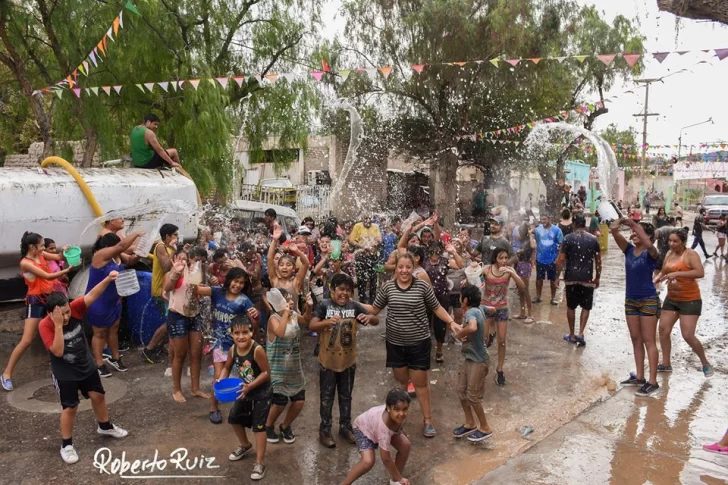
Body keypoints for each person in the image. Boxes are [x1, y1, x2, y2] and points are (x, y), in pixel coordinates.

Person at [38, 271, 128, 464]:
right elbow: (59, 352)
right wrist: (58, 325)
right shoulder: (45, 326)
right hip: (65, 372)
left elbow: (92, 295)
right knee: (70, 407)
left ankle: (104, 426)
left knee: (98, 395)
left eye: (68, 311)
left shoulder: (75, 308)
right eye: (61, 314)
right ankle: (67, 445)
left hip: (85, 365)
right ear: (50, 314)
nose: (67, 316)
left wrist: (107, 279)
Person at [364, 252, 456, 438]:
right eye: (400, 267)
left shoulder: (422, 286)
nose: (404, 271)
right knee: (401, 382)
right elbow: (374, 309)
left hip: (419, 343)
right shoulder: (388, 287)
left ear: (413, 268)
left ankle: (428, 420)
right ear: (395, 268)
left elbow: (436, 307)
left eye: (408, 267)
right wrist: (349, 304)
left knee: (420, 383)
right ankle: (398, 422)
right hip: (395, 344)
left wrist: (451, 322)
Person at [310, 273, 378, 448]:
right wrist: (326, 323)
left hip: (348, 361)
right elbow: (312, 325)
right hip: (328, 361)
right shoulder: (324, 305)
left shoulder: (354, 306)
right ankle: (325, 429)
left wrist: (369, 318)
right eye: (340, 289)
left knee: (346, 395)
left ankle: (345, 426)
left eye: (348, 290)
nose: (344, 293)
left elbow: (376, 320)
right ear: (332, 290)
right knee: (326, 397)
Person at [2, 232, 75, 391]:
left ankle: (68, 368)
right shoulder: (25, 263)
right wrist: (66, 270)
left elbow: (57, 257)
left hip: (49, 298)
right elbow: (48, 277)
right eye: (41, 245)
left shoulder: (41, 254)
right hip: (35, 301)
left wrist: (64, 251)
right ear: (32, 247)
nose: (43, 248)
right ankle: (6, 374)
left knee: (60, 330)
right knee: (27, 340)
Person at [195, 267, 259, 424]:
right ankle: (213, 408)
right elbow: (195, 289)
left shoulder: (244, 301)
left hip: (238, 345)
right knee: (218, 377)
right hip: (219, 343)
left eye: (242, 283)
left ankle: (242, 408)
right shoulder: (217, 292)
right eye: (235, 281)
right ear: (229, 280)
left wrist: (255, 317)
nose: (238, 285)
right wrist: (193, 272)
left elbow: (255, 327)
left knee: (244, 376)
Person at [610, 218, 661, 397]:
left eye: (638, 232)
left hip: (648, 299)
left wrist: (632, 224)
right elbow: (615, 234)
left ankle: (653, 381)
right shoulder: (629, 250)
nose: (633, 235)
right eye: (632, 233)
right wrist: (615, 225)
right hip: (630, 299)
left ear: (648, 236)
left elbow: (648, 244)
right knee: (635, 338)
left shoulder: (652, 253)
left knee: (649, 340)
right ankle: (639, 377)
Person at [654, 229, 713, 377]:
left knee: (687, 335)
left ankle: (705, 363)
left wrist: (677, 273)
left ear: (683, 242)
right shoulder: (669, 253)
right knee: (663, 329)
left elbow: (700, 272)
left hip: (690, 299)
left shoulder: (690, 254)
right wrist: (656, 280)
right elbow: (663, 271)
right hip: (672, 298)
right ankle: (666, 364)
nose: (672, 244)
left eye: (675, 241)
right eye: (670, 241)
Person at [218, 316, 271, 481]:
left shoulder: (257, 350)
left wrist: (250, 386)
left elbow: (266, 373)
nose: (241, 336)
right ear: (232, 334)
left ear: (252, 333)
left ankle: (260, 462)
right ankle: (246, 445)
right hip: (244, 391)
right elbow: (227, 367)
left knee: (259, 426)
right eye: (237, 333)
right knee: (234, 418)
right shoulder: (233, 349)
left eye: (245, 332)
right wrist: (221, 379)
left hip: (262, 392)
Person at [86, 232, 142, 377]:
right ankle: (99, 363)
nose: (119, 248)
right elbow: (122, 246)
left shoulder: (116, 256)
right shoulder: (99, 256)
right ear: (106, 247)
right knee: (99, 333)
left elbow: (130, 261)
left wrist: (140, 253)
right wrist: (137, 234)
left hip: (114, 300)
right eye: (115, 245)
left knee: (113, 329)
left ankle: (115, 357)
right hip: (98, 301)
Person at [264, 288, 311, 444]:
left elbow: (307, 320)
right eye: (287, 300)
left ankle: (285, 426)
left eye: (291, 299)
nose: (291, 302)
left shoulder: (294, 316)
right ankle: (268, 426)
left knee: (299, 401)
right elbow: (280, 332)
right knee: (279, 403)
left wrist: (309, 306)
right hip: (278, 370)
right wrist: (285, 313)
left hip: (294, 369)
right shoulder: (274, 319)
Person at [339, 389, 412, 485]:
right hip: (362, 430)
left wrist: (401, 430)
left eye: (405, 409)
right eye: (397, 409)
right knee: (367, 461)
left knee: (405, 445)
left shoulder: (397, 416)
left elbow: (398, 425)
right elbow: (386, 459)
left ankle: (395, 481)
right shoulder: (384, 429)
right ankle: (344, 484)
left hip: (378, 428)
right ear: (388, 408)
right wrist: (401, 478)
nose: (401, 413)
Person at [163, 249, 209, 403]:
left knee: (196, 353)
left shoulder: (194, 271)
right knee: (180, 355)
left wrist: (214, 290)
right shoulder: (171, 274)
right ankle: (176, 390)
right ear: (174, 259)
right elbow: (167, 288)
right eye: (179, 258)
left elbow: (197, 290)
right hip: (177, 316)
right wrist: (175, 272)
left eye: (185, 258)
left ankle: (195, 389)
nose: (183, 261)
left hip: (194, 315)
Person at [449, 285, 493, 443]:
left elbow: (473, 327)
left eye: (461, 297)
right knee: (462, 391)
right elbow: (492, 310)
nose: (460, 299)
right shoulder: (480, 308)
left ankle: (485, 427)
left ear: (465, 300)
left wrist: (460, 333)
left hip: (478, 361)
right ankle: (470, 423)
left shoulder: (471, 312)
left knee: (473, 396)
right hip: (469, 358)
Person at [477, 248, 525, 386]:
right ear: (495, 259)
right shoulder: (487, 269)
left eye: (505, 257)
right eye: (500, 258)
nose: (504, 261)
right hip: (487, 308)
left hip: (502, 308)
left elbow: (522, 287)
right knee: (483, 340)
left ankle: (500, 369)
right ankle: (481, 366)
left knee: (502, 341)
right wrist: (473, 269)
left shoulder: (509, 271)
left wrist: (512, 273)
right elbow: (475, 279)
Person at [555, 214, 601, 346]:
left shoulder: (568, 239)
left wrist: (557, 277)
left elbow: (561, 259)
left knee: (571, 306)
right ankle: (581, 333)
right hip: (587, 278)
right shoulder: (593, 239)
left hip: (571, 278)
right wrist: (597, 277)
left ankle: (572, 335)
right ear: (585, 224)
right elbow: (598, 261)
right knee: (586, 306)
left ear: (574, 224)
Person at [140, 223, 179, 365]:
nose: (177, 237)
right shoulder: (161, 247)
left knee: (171, 320)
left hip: (168, 289)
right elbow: (166, 266)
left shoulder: (167, 246)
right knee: (170, 322)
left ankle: (158, 347)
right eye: (175, 235)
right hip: (160, 291)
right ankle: (148, 349)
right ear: (167, 236)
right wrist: (175, 252)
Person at [424, 241, 464, 364]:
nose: (435, 254)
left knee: (440, 326)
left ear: (441, 252)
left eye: (438, 251)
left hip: (442, 298)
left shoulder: (445, 261)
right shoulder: (424, 261)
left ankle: (439, 350)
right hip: (425, 298)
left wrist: (453, 252)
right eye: (432, 251)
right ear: (428, 251)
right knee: (424, 325)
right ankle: (425, 351)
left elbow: (460, 265)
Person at [349, 216, 382, 304]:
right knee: (361, 279)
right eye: (366, 219)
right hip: (361, 256)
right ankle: (362, 300)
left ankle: (373, 300)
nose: (368, 222)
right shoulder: (357, 226)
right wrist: (363, 246)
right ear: (363, 219)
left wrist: (376, 243)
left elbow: (380, 239)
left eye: (370, 220)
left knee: (373, 279)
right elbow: (351, 241)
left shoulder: (375, 226)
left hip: (373, 256)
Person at [533, 214, 564, 305]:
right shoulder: (537, 229)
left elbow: (561, 244)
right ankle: (538, 296)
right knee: (539, 279)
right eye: (542, 219)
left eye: (545, 219)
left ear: (550, 219)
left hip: (552, 259)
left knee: (553, 279)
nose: (543, 221)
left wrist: (558, 257)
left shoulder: (557, 230)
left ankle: (553, 298)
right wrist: (534, 257)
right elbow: (535, 243)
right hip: (540, 258)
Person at [513, 222, 536, 323]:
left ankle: (530, 315)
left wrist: (531, 234)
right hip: (519, 265)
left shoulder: (530, 240)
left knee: (525, 290)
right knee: (520, 291)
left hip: (525, 266)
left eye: (520, 231)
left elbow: (533, 246)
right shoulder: (523, 241)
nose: (519, 234)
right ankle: (522, 313)